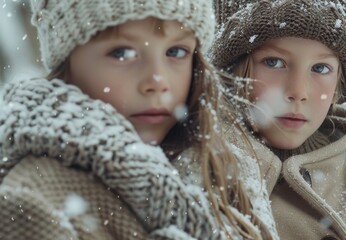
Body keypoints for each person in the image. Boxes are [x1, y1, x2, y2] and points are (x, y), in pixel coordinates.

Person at [0, 0, 278, 239]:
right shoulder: (33, 201)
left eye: (176, 52)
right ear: (67, 64)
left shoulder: (224, 170)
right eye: (122, 53)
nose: (157, 81)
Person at [211, 0, 346, 239]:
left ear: (338, 83)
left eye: (321, 68)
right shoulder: (196, 178)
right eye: (273, 62)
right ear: (233, 72)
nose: (298, 91)